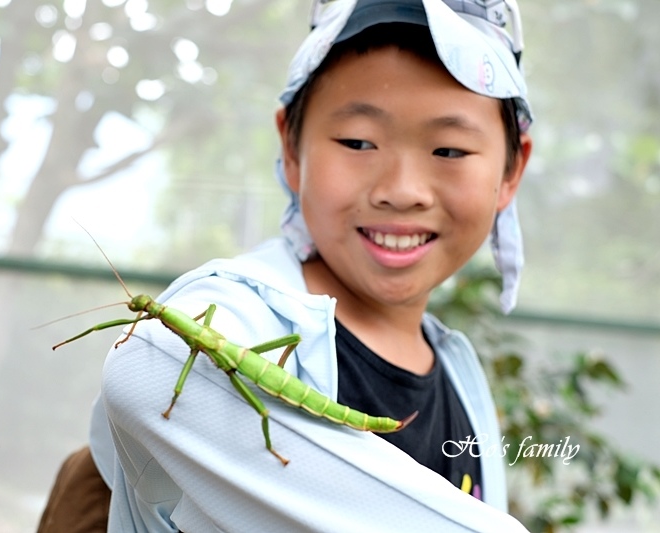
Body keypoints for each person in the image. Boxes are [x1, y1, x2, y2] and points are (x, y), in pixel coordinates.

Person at [40, 0, 535, 531]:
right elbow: (150, 369)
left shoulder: (461, 376)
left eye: (451, 150)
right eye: (357, 142)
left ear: (512, 169)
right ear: (291, 149)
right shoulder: (234, 308)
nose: (402, 191)